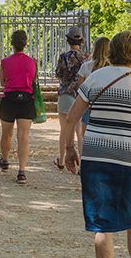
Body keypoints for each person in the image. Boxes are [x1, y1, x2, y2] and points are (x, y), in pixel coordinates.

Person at [62, 30, 131, 258]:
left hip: (98, 157)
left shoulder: (96, 77)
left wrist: (69, 149)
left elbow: (71, 117)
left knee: (102, 223)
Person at [0, 29, 37, 184]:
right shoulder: (32, 61)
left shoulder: (5, 62)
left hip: (9, 99)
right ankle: (22, 171)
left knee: (6, 134)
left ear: (12, 43)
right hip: (26, 100)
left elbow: (2, 82)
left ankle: (5, 159)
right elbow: (32, 79)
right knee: (23, 137)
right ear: (25, 43)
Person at [54, 26, 88, 169]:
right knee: (79, 131)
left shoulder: (63, 57)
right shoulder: (86, 58)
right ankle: (81, 164)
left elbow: (58, 74)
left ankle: (62, 160)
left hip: (65, 94)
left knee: (64, 130)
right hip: (80, 95)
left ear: (68, 40)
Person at [76, 37, 111, 135]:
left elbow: (81, 90)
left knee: (86, 140)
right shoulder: (113, 68)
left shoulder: (85, 66)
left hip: (90, 107)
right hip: (108, 109)